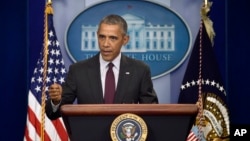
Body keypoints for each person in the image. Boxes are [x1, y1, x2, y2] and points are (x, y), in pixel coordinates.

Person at [45, 14, 158, 120]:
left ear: (125, 40)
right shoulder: (78, 70)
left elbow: (152, 112)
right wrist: (56, 101)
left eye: (113, 38)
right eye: (102, 37)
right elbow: (53, 113)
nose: (105, 44)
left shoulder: (140, 70)